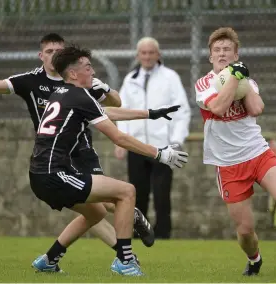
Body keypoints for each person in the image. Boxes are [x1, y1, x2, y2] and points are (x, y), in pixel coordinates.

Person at [0, 33, 160, 268]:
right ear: (41, 56)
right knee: (112, 200)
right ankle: (125, 253)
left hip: (82, 152)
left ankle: (54, 258)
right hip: (53, 158)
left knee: (98, 210)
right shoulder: (32, 81)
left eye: (58, 51)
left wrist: (115, 94)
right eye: (49, 52)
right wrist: (158, 151)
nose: (54, 55)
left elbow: (113, 106)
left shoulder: (82, 81)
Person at [29, 44, 188, 276]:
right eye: (87, 67)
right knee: (126, 192)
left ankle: (49, 260)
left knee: (96, 213)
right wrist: (160, 153)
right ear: (73, 73)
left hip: (41, 175)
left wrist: (149, 113)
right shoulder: (80, 96)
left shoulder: (62, 93)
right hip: (55, 175)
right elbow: (119, 137)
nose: (92, 72)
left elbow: (108, 112)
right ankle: (124, 260)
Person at [195, 27, 276, 276]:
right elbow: (219, 108)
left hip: (257, 152)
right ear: (210, 56)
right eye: (217, 50)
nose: (222, 54)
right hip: (228, 163)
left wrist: (242, 81)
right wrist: (232, 79)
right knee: (245, 230)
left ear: (236, 54)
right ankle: (255, 260)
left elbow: (256, 108)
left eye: (227, 50)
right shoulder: (204, 83)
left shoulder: (247, 81)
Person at [115, 37, 191, 239]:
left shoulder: (170, 77)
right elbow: (122, 112)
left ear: (158, 55)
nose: (147, 56)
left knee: (162, 195)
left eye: (151, 53)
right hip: (136, 146)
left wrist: (176, 141)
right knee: (137, 194)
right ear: (138, 55)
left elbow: (182, 111)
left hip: (163, 148)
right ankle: (140, 234)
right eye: (143, 53)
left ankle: (163, 235)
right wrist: (121, 139)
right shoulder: (130, 79)